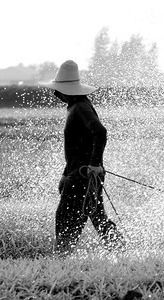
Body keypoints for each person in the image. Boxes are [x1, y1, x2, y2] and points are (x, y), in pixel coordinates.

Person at [40, 60, 123, 255]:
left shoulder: (80, 108)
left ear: (68, 90)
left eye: (58, 90)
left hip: (82, 176)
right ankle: (120, 250)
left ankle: (62, 259)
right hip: (80, 173)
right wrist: (64, 174)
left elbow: (100, 132)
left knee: (65, 218)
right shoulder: (77, 105)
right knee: (97, 216)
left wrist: (94, 165)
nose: (55, 94)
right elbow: (77, 149)